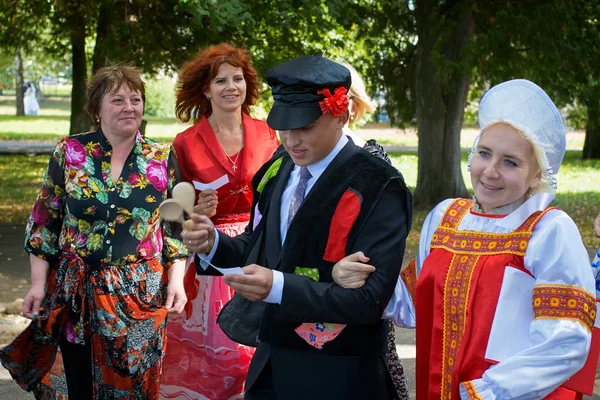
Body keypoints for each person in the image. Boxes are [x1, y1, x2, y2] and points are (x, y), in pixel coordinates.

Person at [333, 79, 597, 399]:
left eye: (510, 162)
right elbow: (413, 305)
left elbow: (565, 343)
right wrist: (356, 278)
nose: (490, 171)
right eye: (484, 153)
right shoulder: (447, 218)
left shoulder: (550, 231)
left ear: (537, 175)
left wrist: (487, 392)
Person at [183, 55, 412, 400]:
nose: (291, 140)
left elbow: (368, 301)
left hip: (339, 374)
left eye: (304, 127)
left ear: (341, 115)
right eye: (283, 127)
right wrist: (212, 243)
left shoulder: (379, 185)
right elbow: (258, 248)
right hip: (270, 367)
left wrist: (277, 287)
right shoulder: (279, 169)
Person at [0, 65, 189, 399]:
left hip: (139, 299)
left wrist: (176, 281)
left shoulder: (161, 157)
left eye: (136, 98)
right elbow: (45, 223)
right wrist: (36, 285)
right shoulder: (71, 153)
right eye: (118, 99)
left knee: (132, 388)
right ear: (97, 109)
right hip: (76, 298)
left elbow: (176, 230)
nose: (129, 106)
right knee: (76, 382)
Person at [160, 43, 279, 400]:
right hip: (206, 261)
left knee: (254, 358)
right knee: (209, 362)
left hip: (258, 249)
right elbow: (172, 218)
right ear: (206, 89)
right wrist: (198, 210)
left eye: (238, 78)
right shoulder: (184, 143)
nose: (231, 87)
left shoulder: (269, 133)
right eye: (221, 80)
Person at [338, 61, 409, 399]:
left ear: (355, 104)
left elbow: (382, 249)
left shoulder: (374, 158)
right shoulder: (290, 159)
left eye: (346, 95)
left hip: (359, 303)